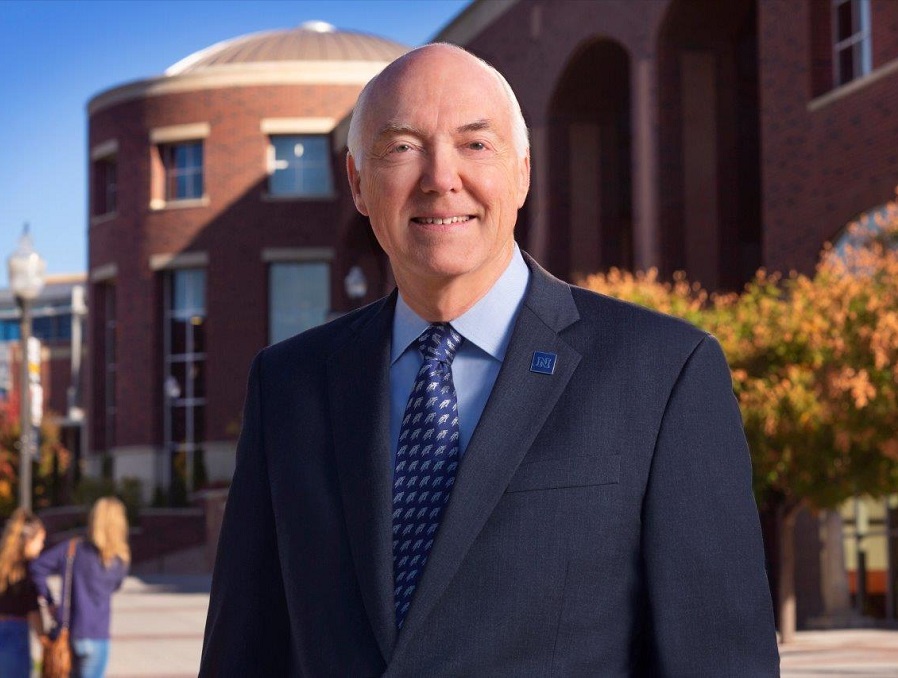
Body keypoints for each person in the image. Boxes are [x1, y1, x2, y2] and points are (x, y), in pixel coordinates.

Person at [201, 44, 779, 676]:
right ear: (359, 183)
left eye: (475, 145)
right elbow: (245, 651)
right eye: (402, 147)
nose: (440, 177)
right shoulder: (289, 386)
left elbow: (721, 659)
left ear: (523, 172)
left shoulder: (664, 373)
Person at [31, 497, 130, 678]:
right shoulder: (119, 559)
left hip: (70, 631)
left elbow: (37, 567)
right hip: (97, 633)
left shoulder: (73, 548)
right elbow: (115, 586)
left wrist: (50, 602)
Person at [0, 508, 46, 678]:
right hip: (15, 636)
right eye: (40, 540)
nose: (42, 546)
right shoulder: (26, 570)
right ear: (28, 541)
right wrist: (44, 640)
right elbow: (33, 609)